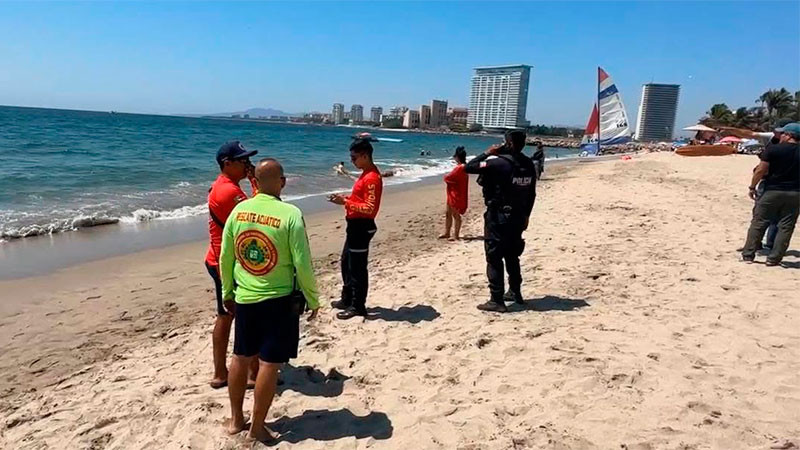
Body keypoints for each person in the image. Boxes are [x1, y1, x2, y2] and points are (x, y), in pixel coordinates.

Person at [219, 158, 320, 442]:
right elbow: (302, 262)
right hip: (279, 299)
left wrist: (228, 291)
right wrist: (313, 298)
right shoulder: (290, 214)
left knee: (240, 357)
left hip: (245, 296)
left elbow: (226, 256)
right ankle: (257, 427)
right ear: (282, 182)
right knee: (269, 364)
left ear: (255, 182)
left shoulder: (239, 211)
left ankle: (236, 420)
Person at [205, 140, 259, 389]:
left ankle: (222, 372)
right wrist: (256, 181)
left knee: (227, 316)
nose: (247, 164)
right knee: (242, 316)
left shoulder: (225, 186)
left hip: (221, 259)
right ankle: (249, 373)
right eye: (243, 161)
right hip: (224, 264)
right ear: (227, 164)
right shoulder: (229, 191)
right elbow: (256, 217)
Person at [465, 130, 537, 312]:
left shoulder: (497, 162)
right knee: (512, 255)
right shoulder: (528, 164)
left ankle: (496, 300)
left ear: (509, 143)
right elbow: (531, 194)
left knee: (494, 256)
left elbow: (469, 167)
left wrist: (487, 153)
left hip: (498, 216)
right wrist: (527, 216)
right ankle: (515, 292)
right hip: (519, 216)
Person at [328, 138, 383, 319]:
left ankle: (358, 305)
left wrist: (345, 202)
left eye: (354, 157)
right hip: (354, 225)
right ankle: (347, 298)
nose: (351, 161)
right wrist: (346, 198)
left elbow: (370, 208)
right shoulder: (365, 174)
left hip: (362, 226)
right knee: (346, 262)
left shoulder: (372, 177)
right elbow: (361, 199)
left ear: (365, 156)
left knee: (357, 267)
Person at [742, 123, 800, 266]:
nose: (780, 136)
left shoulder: (774, 149)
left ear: (789, 135)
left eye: (783, 134)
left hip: (772, 190)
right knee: (786, 226)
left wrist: (752, 186)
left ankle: (748, 255)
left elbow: (761, 170)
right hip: (796, 193)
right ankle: (774, 258)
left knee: (759, 222)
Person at [439, 146, 468, 240]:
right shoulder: (463, 167)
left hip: (456, 193)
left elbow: (448, 178)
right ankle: (447, 232)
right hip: (453, 192)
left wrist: (446, 177)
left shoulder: (460, 167)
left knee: (455, 214)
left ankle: (456, 235)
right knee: (448, 213)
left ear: (458, 157)